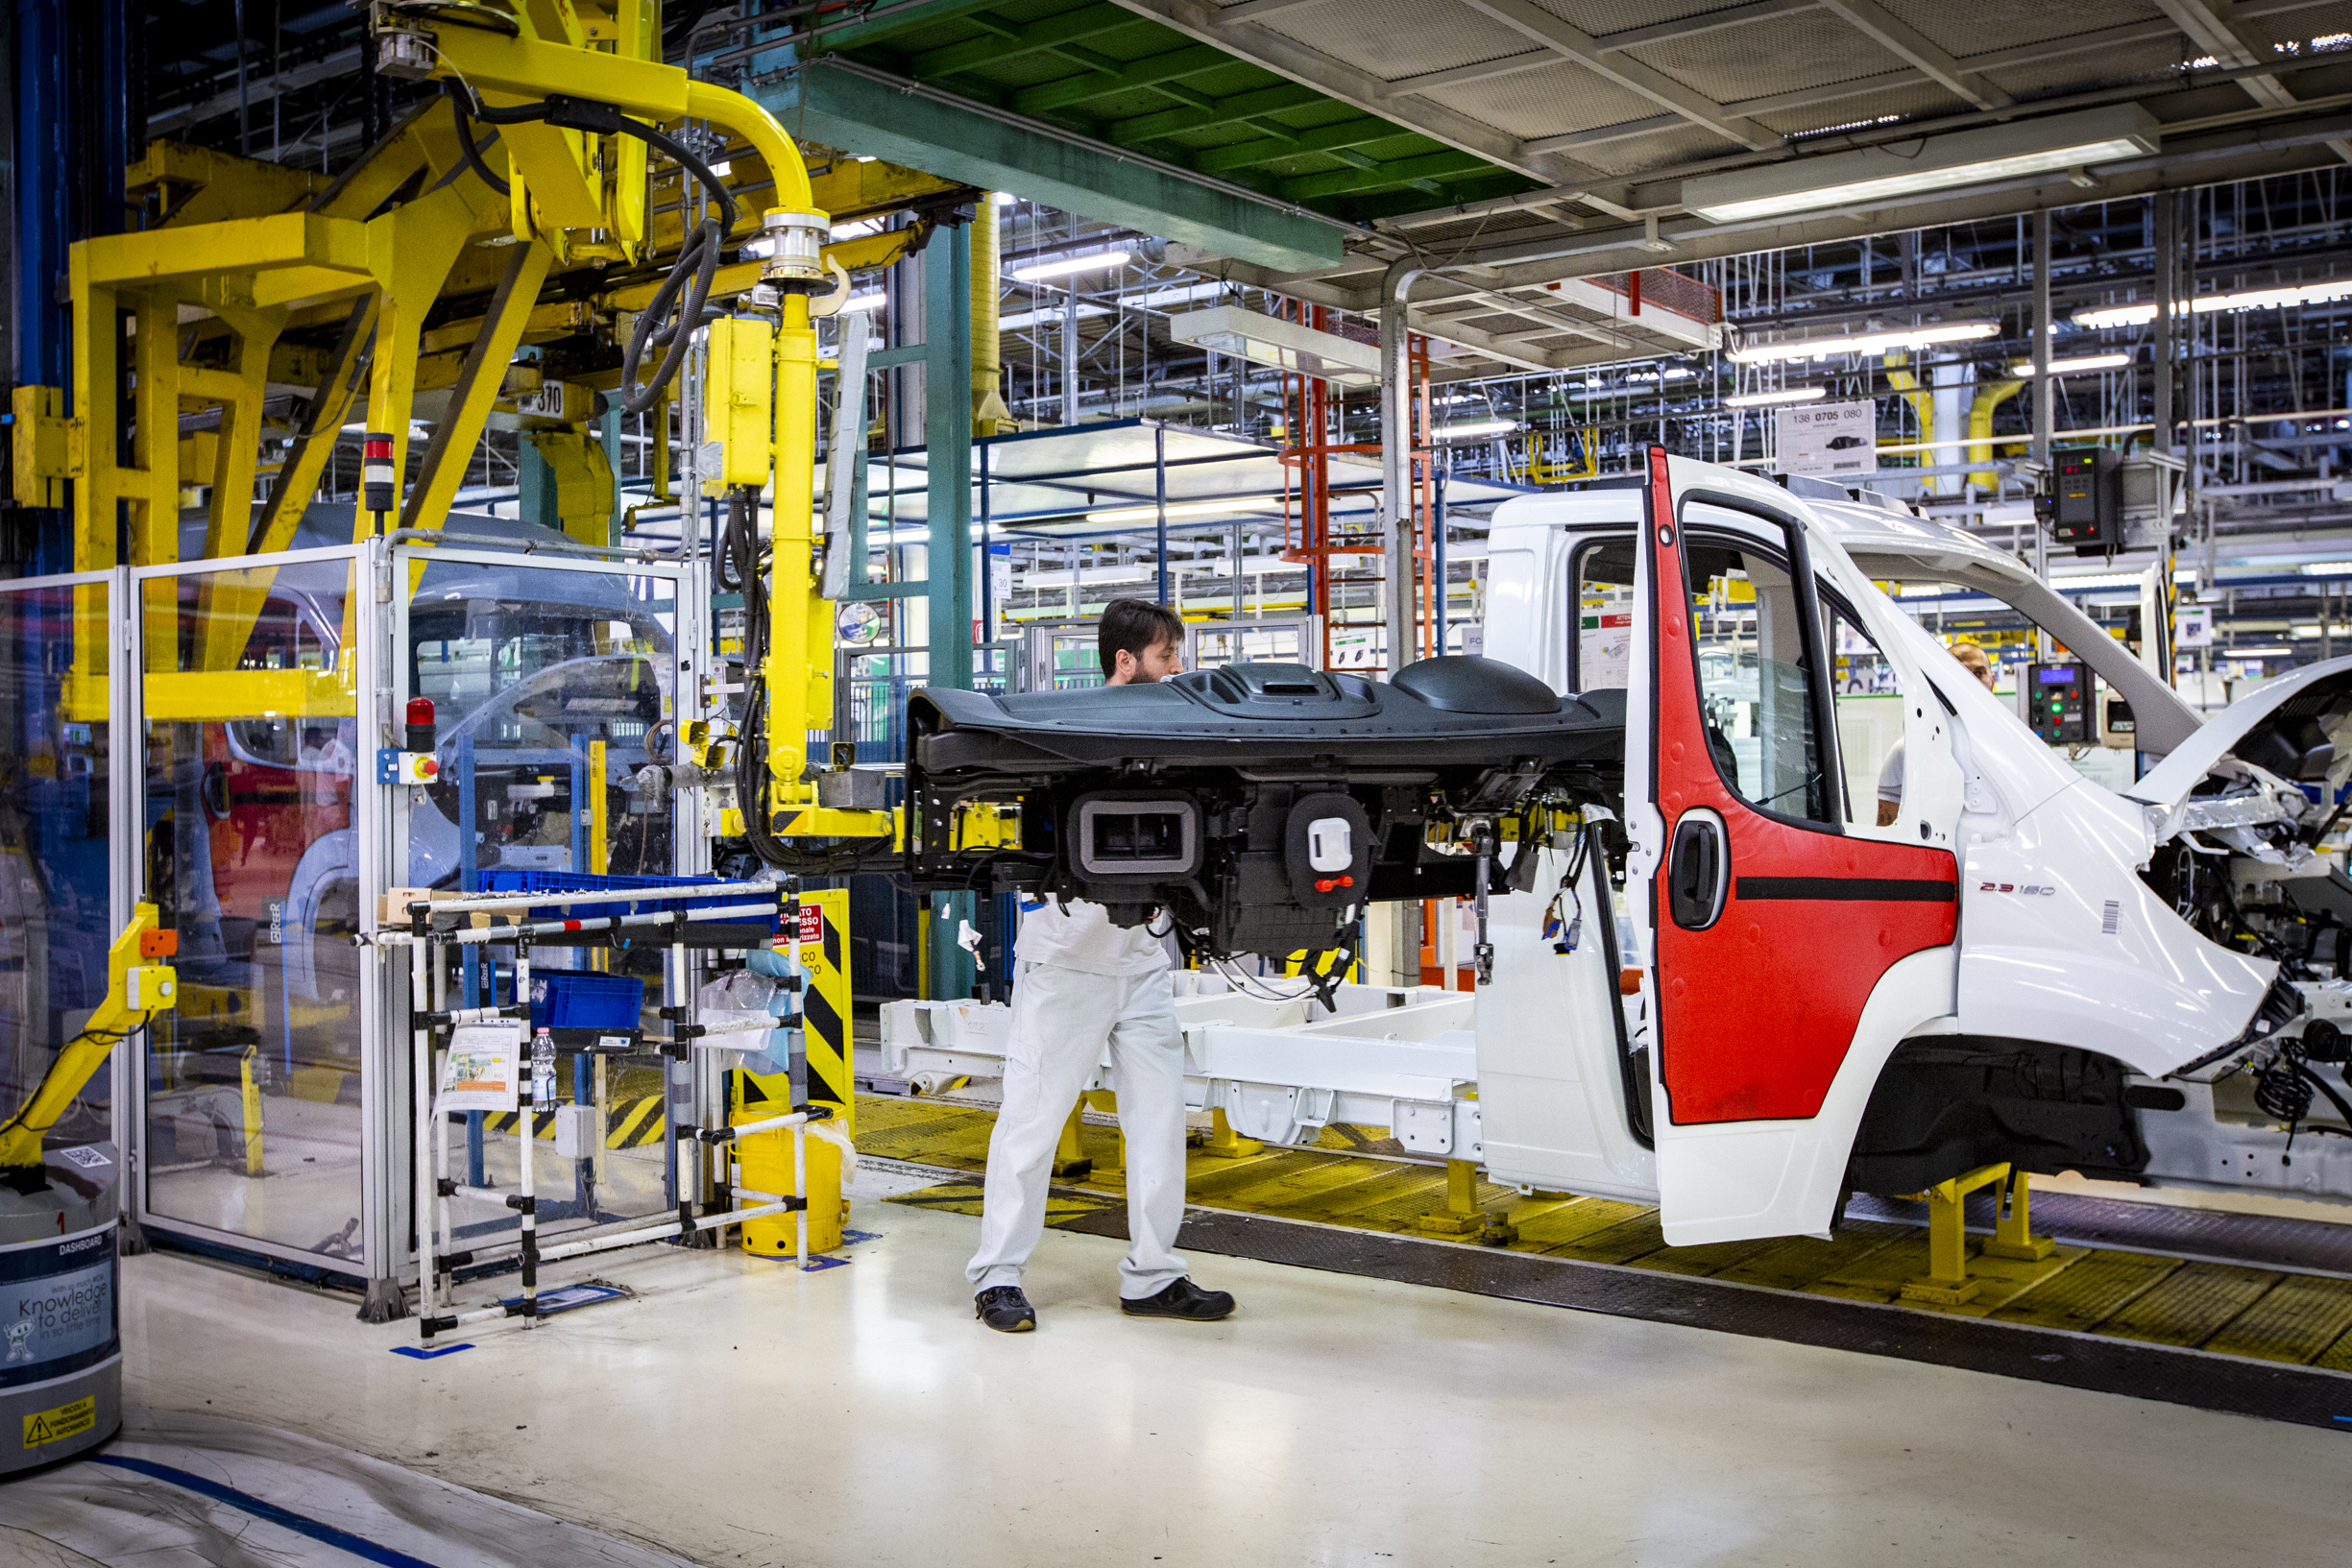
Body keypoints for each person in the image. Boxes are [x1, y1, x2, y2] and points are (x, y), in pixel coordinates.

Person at [966, 598, 1234, 1333]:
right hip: (1067, 966)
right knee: (1032, 1124)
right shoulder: (1066, 739)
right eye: (1165, 655)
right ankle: (996, 1275)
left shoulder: (1182, 738)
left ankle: (1153, 1274)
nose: (1177, 668)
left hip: (1144, 966)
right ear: (1125, 662)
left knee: (1157, 1125)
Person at [1877, 640, 1997, 827]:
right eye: (1959, 674)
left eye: (1979, 673)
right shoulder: (1904, 752)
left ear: (1992, 679)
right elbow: (1885, 829)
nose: (1970, 682)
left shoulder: (2009, 751)